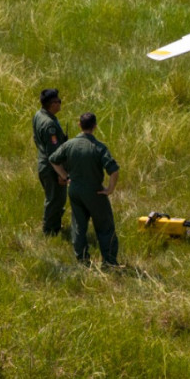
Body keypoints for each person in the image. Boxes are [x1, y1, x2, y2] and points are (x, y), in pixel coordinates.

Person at [50, 112, 120, 266]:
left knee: (79, 226)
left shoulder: (69, 145)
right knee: (105, 227)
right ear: (95, 126)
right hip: (95, 192)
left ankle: (82, 261)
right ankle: (109, 262)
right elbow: (114, 170)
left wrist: (65, 177)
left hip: (74, 190)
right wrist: (110, 189)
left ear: (79, 125)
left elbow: (53, 160)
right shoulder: (98, 147)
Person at [32, 88, 69, 236]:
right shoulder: (50, 126)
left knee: (53, 198)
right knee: (55, 200)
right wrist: (62, 174)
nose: (60, 103)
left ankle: (53, 226)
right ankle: (50, 231)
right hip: (51, 168)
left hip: (43, 163)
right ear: (51, 104)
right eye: (58, 101)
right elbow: (54, 154)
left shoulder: (39, 115)